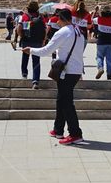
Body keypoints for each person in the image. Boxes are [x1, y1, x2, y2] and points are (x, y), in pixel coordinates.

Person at [24, 8, 85, 145]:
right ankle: (58, 129)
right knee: (61, 99)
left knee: (66, 102)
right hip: (75, 71)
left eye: (57, 18)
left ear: (61, 18)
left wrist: (31, 50)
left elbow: (47, 50)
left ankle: (75, 133)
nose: (56, 21)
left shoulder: (62, 32)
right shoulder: (79, 32)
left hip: (66, 72)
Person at [15, 1, 46, 89]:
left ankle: (24, 74)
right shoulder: (41, 17)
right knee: (36, 61)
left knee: (25, 58)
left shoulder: (24, 16)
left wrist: (22, 37)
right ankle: (35, 81)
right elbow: (45, 29)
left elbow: (19, 28)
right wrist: (43, 40)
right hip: (37, 41)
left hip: (27, 40)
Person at [94, 6, 111, 80]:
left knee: (99, 57)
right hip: (110, 42)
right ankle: (109, 75)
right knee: (109, 59)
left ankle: (100, 68)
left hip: (100, 42)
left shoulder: (99, 19)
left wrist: (96, 10)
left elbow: (91, 20)